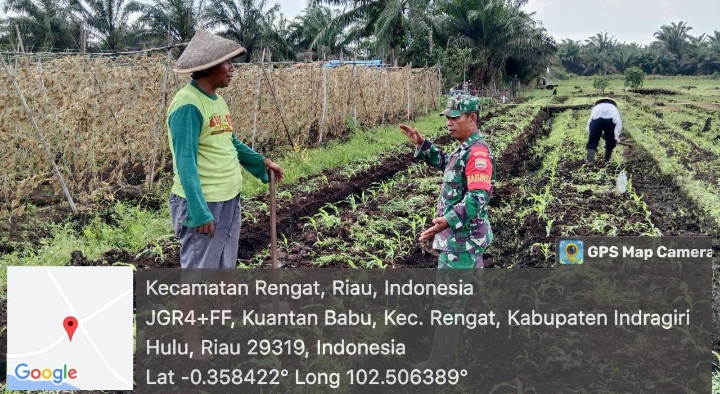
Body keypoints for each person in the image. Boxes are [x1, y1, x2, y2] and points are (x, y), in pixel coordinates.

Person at [166, 30, 284, 358]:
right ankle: (192, 341)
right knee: (198, 270)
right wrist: (198, 211)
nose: (233, 69)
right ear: (210, 67)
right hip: (202, 202)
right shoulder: (187, 106)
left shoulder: (216, 101)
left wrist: (261, 163)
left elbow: (228, 142)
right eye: (228, 64)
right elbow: (185, 162)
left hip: (229, 197)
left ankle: (224, 318)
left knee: (224, 265)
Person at [399, 95, 494, 368]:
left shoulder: (477, 153)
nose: (449, 123)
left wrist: (448, 221)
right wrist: (422, 144)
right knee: (474, 295)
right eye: (448, 118)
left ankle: (438, 362)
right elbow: (446, 164)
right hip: (467, 240)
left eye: (456, 117)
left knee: (448, 302)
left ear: (472, 118)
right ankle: (481, 346)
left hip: (460, 242)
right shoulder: (463, 148)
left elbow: (478, 196)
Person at [586, 97, 622, 166]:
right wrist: (615, 137)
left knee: (592, 140)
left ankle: (589, 161)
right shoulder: (614, 108)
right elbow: (618, 123)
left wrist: (594, 133)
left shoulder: (596, 108)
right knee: (610, 141)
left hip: (596, 120)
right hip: (611, 120)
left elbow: (590, 122)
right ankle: (606, 160)